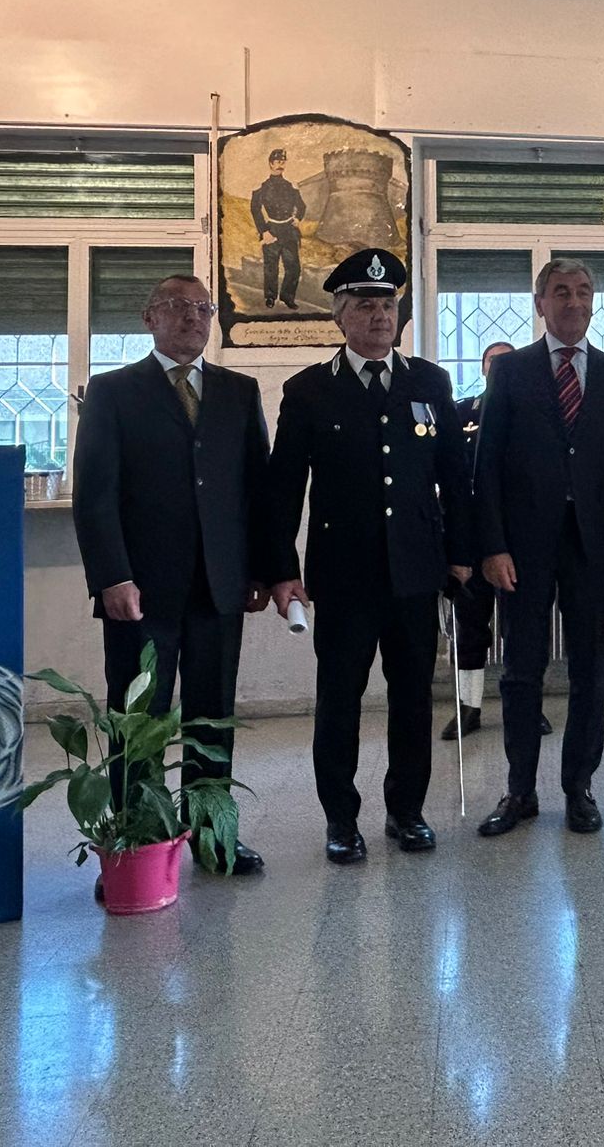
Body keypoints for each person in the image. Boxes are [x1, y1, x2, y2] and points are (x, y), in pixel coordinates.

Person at [262, 250, 473, 865]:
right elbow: (283, 488)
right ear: (340, 316)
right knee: (339, 702)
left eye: (387, 304)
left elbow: (455, 477)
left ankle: (407, 811)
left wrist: (461, 553)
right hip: (344, 576)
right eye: (364, 305)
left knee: (412, 698)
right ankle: (341, 819)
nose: (379, 316)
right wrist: (282, 570)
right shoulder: (308, 391)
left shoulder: (429, 383)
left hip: (415, 572)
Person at [71, 273, 269, 880]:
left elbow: (256, 490)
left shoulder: (239, 392)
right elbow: (95, 495)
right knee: (139, 719)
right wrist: (112, 576)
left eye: (203, 308)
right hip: (140, 591)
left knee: (212, 716)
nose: (192, 318)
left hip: (218, 586)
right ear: (148, 317)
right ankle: (137, 842)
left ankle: (213, 837)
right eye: (178, 307)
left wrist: (260, 570)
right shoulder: (112, 392)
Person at [472, 258, 604, 836]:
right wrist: (492, 545)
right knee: (521, 672)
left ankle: (579, 787)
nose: (574, 301)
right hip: (523, 548)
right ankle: (520, 791)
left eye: (584, 291)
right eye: (561, 292)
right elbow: (486, 464)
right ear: (540, 304)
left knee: (591, 670)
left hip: (594, 545)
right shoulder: (511, 370)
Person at [442, 341, 553, 741]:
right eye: (493, 361)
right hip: (471, 537)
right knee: (470, 627)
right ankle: (468, 707)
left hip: (518, 537)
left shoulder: (533, 413)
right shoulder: (462, 412)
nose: (501, 367)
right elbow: (450, 474)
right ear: (483, 367)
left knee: (522, 628)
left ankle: (527, 707)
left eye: (508, 360)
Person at [250, 147, 307, 311]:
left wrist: (297, 218)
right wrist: (264, 231)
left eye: (283, 162)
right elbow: (255, 209)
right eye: (277, 161)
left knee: (293, 267)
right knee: (271, 267)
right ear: (270, 164)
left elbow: (302, 206)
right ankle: (270, 297)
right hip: (272, 230)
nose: (280, 165)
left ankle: (287, 297)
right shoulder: (262, 187)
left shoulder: (291, 187)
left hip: (289, 231)